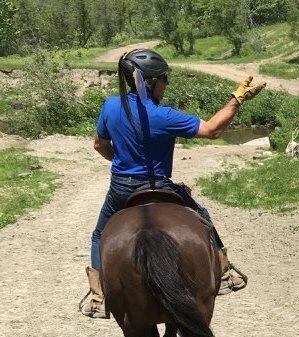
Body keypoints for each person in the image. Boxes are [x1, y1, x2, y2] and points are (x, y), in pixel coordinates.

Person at [81, 48, 265, 318]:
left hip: (121, 188)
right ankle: (224, 272)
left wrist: (120, 160)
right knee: (202, 216)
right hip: (157, 186)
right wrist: (237, 99)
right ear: (151, 81)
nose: (166, 84)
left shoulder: (110, 106)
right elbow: (213, 129)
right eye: (164, 78)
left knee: (100, 234)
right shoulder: (163, 116)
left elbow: (99, 145)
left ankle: (99, 294)